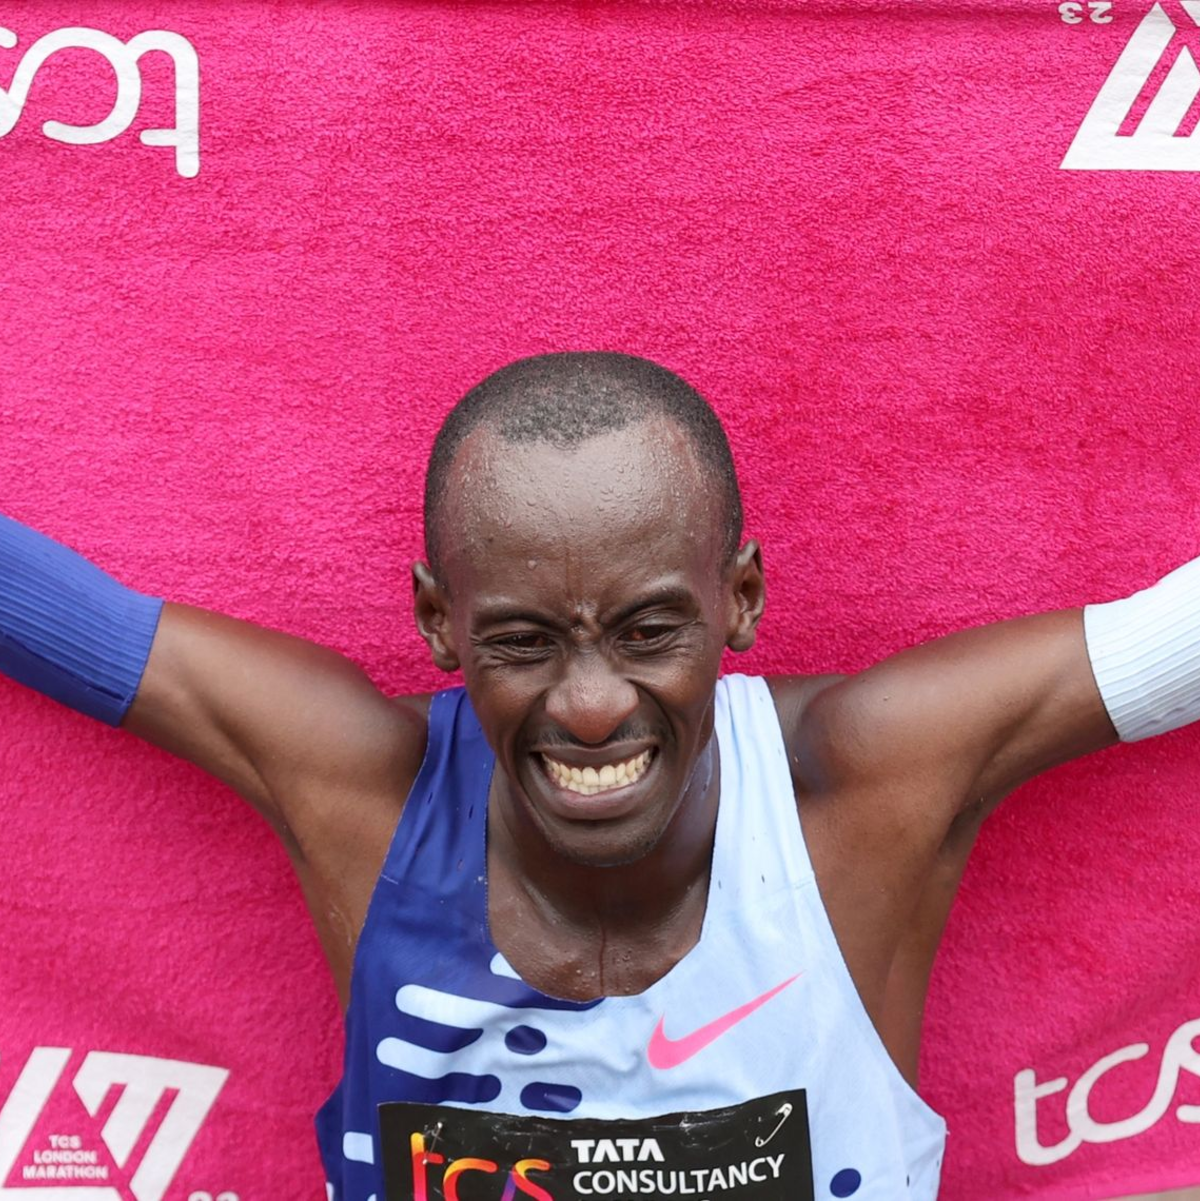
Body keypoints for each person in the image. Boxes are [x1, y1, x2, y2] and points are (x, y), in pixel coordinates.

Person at [1, 351, 1197, 1201]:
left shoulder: (857, 786)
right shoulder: (370, 788)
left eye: (647, 631)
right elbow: (63, 622)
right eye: (522, 641)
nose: (590, 706)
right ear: (437, 621)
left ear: (741, 598)